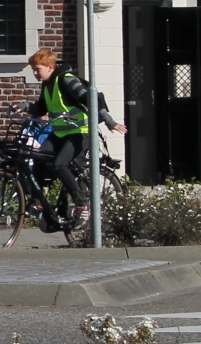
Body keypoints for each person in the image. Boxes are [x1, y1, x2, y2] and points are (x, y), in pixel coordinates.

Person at [26, 49, 126, 224]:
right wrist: (24, 106)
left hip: (80, 132)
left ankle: (81, 202)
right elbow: (42, 108)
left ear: (50, 67)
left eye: (37, 69)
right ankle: (38, 201)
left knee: (60, 165)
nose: (35, 73)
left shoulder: (66, 79)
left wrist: (109, 121)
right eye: (33, 69)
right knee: (38, 157)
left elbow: (92, 98)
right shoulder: (48, 83)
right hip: (61, 132)